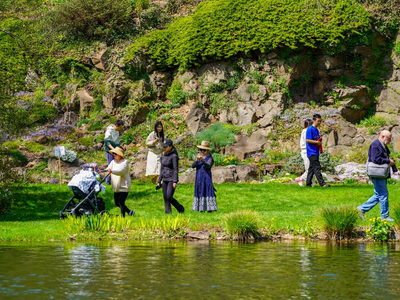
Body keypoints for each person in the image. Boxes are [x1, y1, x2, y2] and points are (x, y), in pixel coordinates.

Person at [357, 130, 395, 222]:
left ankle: (361, 209)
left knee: (378, 195)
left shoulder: (382, 145)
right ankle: (385, 216)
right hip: (377, 173)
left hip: (380, 174)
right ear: (382, 136)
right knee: (383, 194)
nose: (390, 140)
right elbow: (375, 159)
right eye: (388, 138)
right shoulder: (376, 145)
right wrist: (388, 161)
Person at [157, 139, 184, 214]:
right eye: (163, 147)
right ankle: (168, 212)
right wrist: (159, 181)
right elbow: (162, 169)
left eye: (166, 147)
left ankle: (180, 208)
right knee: (165, 197)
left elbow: (176, 169)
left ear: (170, 146)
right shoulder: (164, 156)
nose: (164, 148)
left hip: (171, 179)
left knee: (169, 196)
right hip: (165, 178)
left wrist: (175, 181)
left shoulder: (174, 156)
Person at [105, 147, 134, 217]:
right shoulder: (113, 162)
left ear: (120, 154)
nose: (114, 155)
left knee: (121, 202)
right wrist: (103, 171)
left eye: (115, 153)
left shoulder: (125, 162)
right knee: (116, 203)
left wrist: (112, 171)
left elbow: (121, 172)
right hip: (116, 185)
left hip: (124, 185)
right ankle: (130, 212)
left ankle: (122, 217)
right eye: (113, 153)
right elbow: (108, 168)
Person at [192, 141, 217, 213]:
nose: (202, 151)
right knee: (200, 190)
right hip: (199, 178)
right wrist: (196, 161)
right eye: (201, 150)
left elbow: (208, 166)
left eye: (204, 150)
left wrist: (202, 160)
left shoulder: (210, 158)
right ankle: (201, 208)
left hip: (206, 178)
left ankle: (209, 209)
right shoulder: (198, 157)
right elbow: (192, 166)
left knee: (207, 191)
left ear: (207, 150)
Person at [305, 114, 329, 187]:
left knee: (311, 169)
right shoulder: (310, 129)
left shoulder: (316, 130)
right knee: (317, 168)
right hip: (311, 152)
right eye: (318, 121)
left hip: (316, 151)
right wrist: (317, 142)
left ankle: (308, 183)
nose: (319, 123)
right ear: (314, 120)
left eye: (320, 121)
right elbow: (308, 140)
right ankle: (322, 184)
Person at [104, 120, 124, 185]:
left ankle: (115, 181)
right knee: (110, 165)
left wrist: (120, 148)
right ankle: (108, 182)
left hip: (115, 150)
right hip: (110, 151)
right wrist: (113, 150)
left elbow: (117, 142)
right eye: (120, 127)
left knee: (116, 165)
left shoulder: (117, 131)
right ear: (116, 126)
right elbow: (107, 142)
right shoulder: (109, 130)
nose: (120, 129)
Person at [295, 119, 315, 185]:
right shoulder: (306, 131)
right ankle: (300, 179)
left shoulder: (304, 131)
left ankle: (312, 183)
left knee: (311, 168)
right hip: (306, 151)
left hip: (306, 151)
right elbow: (308, 140)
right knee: (309, 169)